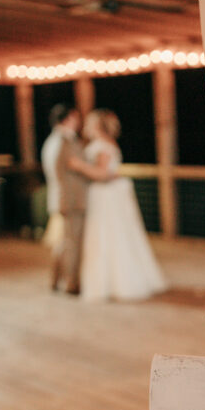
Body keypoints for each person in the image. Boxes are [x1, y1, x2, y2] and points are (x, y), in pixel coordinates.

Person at [69, 109, 166, 302]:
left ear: (97, 126)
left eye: (89, 123)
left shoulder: (102, 146)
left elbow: (103, 174)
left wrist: (79, 166)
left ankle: (110, 283)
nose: (86, 127)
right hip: (107, 195)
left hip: (104, 196)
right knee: (114, 236)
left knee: (106, 237)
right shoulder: (105, 144)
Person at [41, 104, 88, 295]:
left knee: (63, 242)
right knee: (72, 243)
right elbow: (66, 171)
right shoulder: (63, 142)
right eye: (75, 118)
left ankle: (55, 279)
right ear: (67, 119)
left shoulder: (53, 141)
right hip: (70, 199)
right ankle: (71, 283)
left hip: (62, 198)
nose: (78, 122)